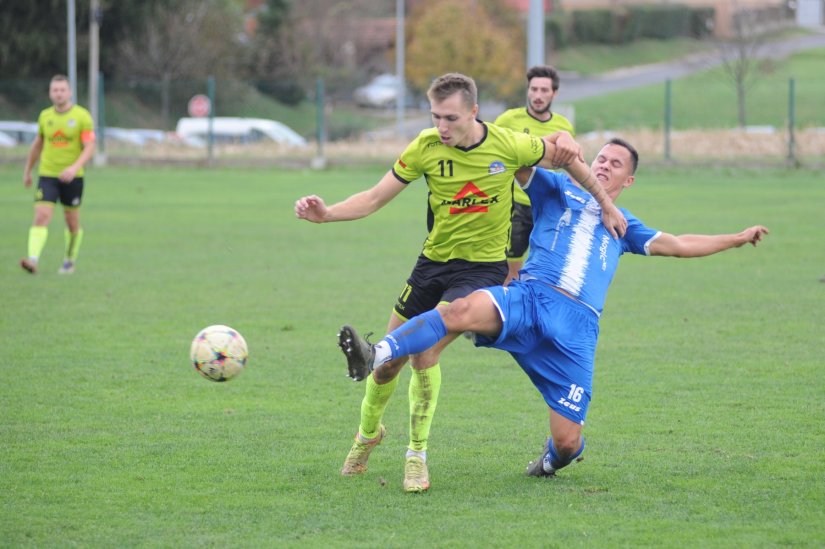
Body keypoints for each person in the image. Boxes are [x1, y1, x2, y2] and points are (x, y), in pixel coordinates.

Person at [338, 137, 769, 480]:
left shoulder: (624, 224)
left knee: (566, 443)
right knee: (459, 311)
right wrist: (551, 147)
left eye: (615, 164)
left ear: (630, 180)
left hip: (576, 331)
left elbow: (677, 244)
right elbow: (523, 159)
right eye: (600, 158)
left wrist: (735, 238)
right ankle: (377, 353)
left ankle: (548, 463)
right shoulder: (556, 187)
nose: (603, 165)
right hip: (530, 298)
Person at [295, 72, 626, 493]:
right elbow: (375, 197)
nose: (442, 127)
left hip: (482, 269)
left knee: (424, 355)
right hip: (431, 264)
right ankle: (367, 436)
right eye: (435, 116)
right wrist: (327, 214)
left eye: (450, 118)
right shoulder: (425, 147)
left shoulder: (508, 143)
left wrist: (605, 204)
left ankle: (416, 455)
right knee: (387, 369)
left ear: (473, 111)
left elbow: (568, 156)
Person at [495, 65, 574, 285]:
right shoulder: (508, 120)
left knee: (550, 268)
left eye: (544, 90)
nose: (538, 95)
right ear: (528, 90)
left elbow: (571, 165)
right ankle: (507, 314)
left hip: (550, 205)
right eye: (534, 89)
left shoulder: (563, 126)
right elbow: (490, 153)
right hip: (516, 206)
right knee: (510, 270)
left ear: (554, 93)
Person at [21, 74, 96, 275]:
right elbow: (37, 145)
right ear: (50, 93)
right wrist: (28, 170)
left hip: (73, 177)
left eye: (62, 90)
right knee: (41, 215)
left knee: (72, 223)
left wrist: (74, 167)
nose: (59, 93)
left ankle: (69, 260)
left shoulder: (82, 116)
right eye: (55, 90)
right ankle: (33, 259)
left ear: (69, 92)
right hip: (47, 175)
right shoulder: (45, 116)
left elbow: (90, 147)